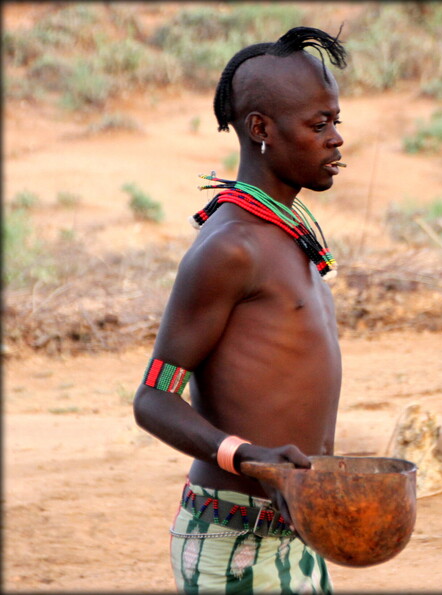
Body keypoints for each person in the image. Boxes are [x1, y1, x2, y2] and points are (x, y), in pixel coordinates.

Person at [133, 26, 347, 594]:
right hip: (235, 544)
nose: (335, 140)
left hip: (297, 531)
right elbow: (153, 398)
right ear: (261, 130)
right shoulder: (231, 249)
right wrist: (249, 458)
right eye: (318, 125)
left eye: (336, 122)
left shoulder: (286, 236)